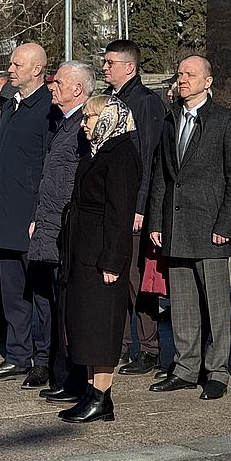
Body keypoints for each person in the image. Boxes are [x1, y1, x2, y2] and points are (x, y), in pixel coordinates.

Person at [147, 55, 231, 400]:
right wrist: (157, 222)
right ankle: (186, 368)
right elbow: (162, 174)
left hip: (210, 228)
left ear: (208, 82)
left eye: (191, 74)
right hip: (176, 226)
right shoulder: (170, 119)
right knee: (183, 305)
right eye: (180, 74)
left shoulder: (225, 121)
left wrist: (226, 223)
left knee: (216, 305)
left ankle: (217, 371)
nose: (183, 79)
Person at [58, 95, 142, 423]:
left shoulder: (120, 153)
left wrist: (113, 260)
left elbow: (120, 212)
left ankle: (101, 395)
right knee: (89, 324)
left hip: (103, 252)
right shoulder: (100, 150)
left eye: (89, 119)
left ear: (108, 118)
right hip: (85, 248)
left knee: (102, 326)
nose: (84, 125)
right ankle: (95, 393)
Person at [0, 43, 54, 388]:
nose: (10, 68)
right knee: (12, 294)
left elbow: (48, 166)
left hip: (31, 219)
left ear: (37, 69)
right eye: (10, 62)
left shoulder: (47, 108)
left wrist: (41, 214)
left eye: (17, 63)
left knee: (40, 295)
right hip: (5, 216)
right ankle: (17, 355)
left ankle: (46, 359)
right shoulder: (10, 103)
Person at [101, 39, 168, 376]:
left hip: (134, 207)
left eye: (111, 62)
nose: (104, 67)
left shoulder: (145, 102)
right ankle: (123, 344)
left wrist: (141, 206)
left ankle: (150, 348)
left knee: (138, 281)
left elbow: (150, 157)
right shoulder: (115, 101)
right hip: (114, 204)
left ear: (130, 67)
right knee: (116, 275)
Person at [29, 62, 94, 404]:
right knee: (56, 303)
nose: (52, 87)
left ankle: (75, 379)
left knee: (69, 308)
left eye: (59, 83)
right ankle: (63, 375)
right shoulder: (65, 123)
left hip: (68, 230)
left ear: (78, 90)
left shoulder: (86, 124)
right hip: (53, 225)